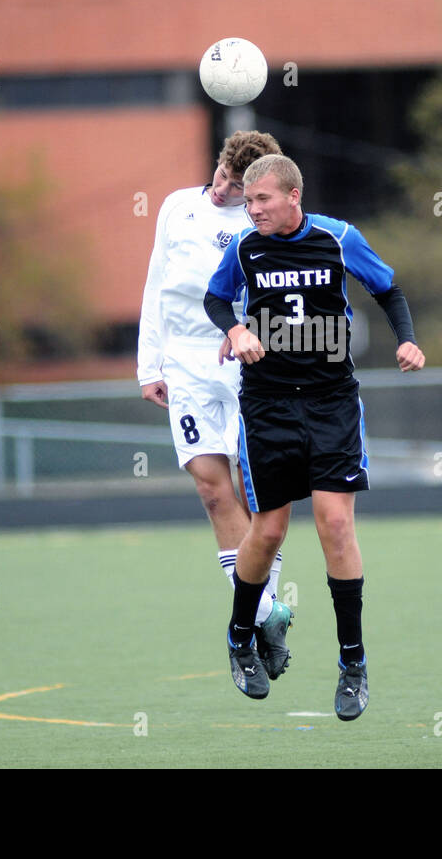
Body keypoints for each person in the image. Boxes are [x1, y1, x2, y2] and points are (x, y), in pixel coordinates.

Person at [203, 153, 424, 720]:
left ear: (293, 196)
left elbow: (389, 289)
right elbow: (214, 297)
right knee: (270, 529)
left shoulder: (338, 237)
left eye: (263, 201)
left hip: (331, 404)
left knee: (335, 522)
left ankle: (353, 663)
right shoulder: (244, 249)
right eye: (248, 202)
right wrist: (234, 328)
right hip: (268, 406)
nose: (251, 211)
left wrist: (407, 340)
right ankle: (238, 639)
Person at [137, 131, 294, 679]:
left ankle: (254, 616)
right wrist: (148, 366)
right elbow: (155, 282)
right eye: (224, 178)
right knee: (210, 488)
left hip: (242, 363)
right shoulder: (177, 206)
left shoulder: (261, 224)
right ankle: (268, 613)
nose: (226, 191)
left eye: (241, 186)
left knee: (258, 497)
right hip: (181, 367)